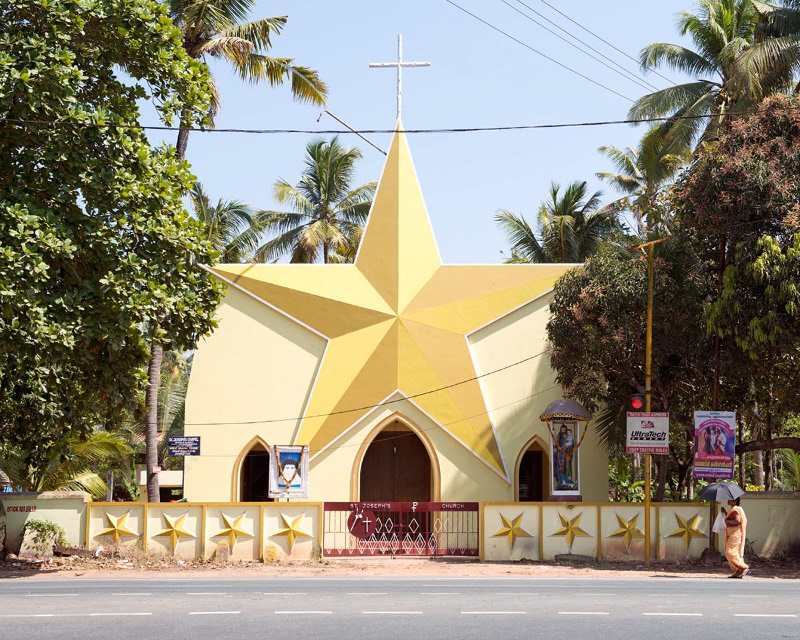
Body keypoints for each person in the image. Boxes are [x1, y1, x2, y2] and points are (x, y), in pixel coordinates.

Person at [720, 498, 749, 578]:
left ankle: (743, 567)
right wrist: (725, 512)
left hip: (735, 534)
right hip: (733, 533)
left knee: (729, 552)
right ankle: (738, 571)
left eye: (730, 499)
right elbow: (731, 518)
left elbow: (737, 521)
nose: (728, 500)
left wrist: (727, 521)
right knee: (734, 553)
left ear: (735, 501)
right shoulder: (733, 510)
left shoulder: (735, 510)